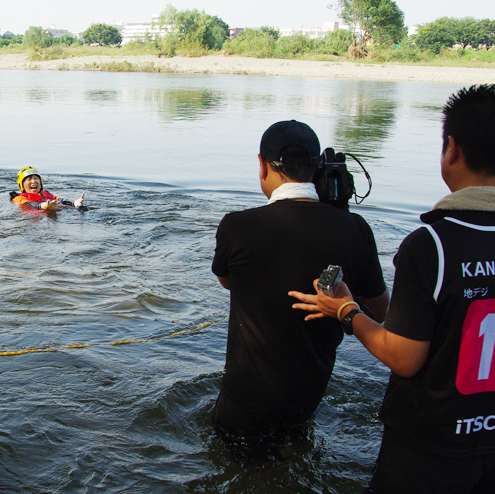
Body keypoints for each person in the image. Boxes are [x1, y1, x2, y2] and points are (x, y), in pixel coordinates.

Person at [291, 85, 495, 494]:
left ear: (451, 149)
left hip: (431, 445)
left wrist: (346, 310)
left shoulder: (432, 245)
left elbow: (403, 357)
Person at [211, 119, 389, 447]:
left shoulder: (237, 226)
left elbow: (227, 282)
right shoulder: (357, 229)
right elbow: (382, 311)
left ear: (262, 165)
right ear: (319, 167)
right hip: (307, 400)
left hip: (245, 404)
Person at [10, 166, 85, 211]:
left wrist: (74, 203)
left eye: (36, 178)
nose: (33, 181)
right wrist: (43, 206)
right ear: (22, 185)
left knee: (84, 209)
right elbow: (29, 204)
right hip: (33, 220)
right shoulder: (18, 199)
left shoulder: (46, 195)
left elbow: (60, 200)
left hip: (52, 217)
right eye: (29, 179)